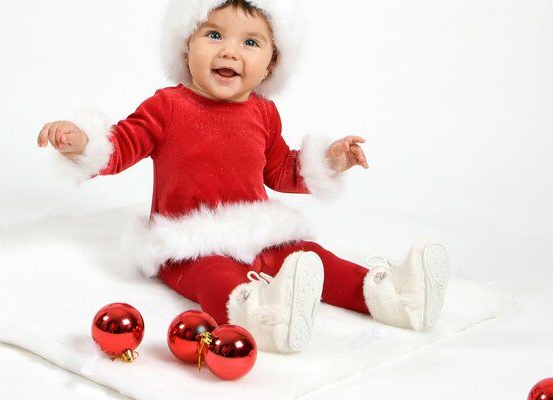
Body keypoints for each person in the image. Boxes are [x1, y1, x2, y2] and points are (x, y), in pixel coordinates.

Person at [37, 0, 450, 354]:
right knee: (215, 277)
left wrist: (330, 160)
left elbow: (280, 170)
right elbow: (122, 144)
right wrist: (82, 143)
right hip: (189, 244)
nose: (230, 52)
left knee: (311, 257)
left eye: (250, 43)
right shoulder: (168, 106)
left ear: (270, 64)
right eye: (214, 35)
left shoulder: (263, 112)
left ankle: (392, 295)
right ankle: (262, 314)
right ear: (186, 49)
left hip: (260, 230)